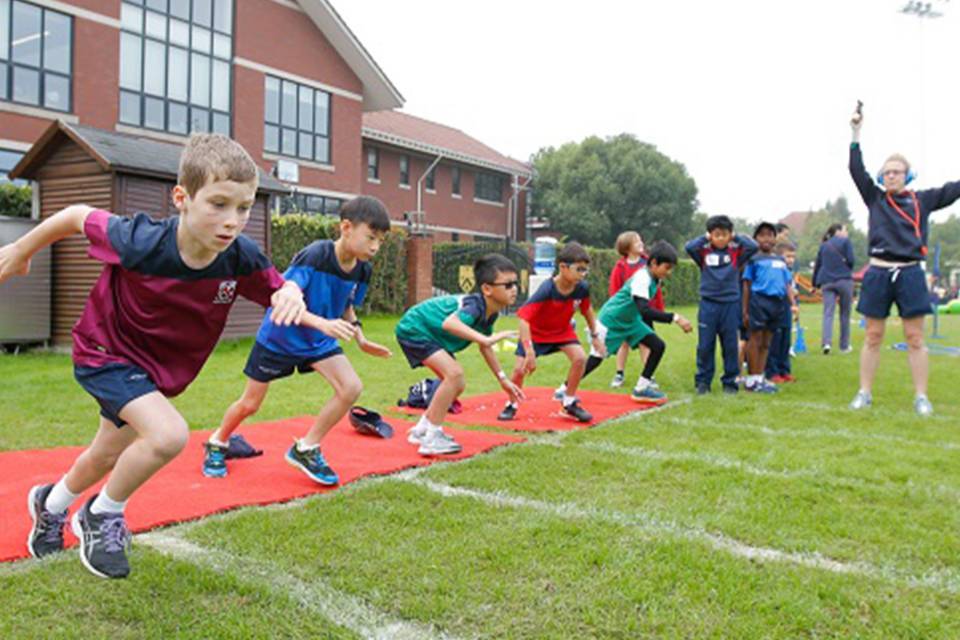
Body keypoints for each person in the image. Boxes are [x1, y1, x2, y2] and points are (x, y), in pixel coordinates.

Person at [0, 134, 308, 578]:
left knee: (106, 454)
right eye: (218, 204)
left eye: (244, 208)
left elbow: (279, 286)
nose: (233, 221)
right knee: (167, 435)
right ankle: (102, 513)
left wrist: (291, 291)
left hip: (151, 373)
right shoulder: (139, 241)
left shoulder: (240, 257)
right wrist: (20, 250)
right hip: (104, 353)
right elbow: (75, 215)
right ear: (182, 198)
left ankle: (51, 504)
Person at [202, 196, 393, 483]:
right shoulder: (316, 254)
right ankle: (218, 442)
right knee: (250, 404)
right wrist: (323, 323)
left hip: (318, 340)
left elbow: (346, 305)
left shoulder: (363, 269)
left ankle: (306, 448)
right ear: (346, 228)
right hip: (280, 337)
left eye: (380, 241)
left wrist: (360, 337)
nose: (376, 247)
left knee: (351, 387)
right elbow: (286, 298)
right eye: (371, 237)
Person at [848, 103, 960, 416]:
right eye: (887, 172)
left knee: (915, 337)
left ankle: (921, 396)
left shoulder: (922, 200)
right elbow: (856, 170)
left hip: (910, 272)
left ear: (907, 175)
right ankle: (864, 392)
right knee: (873, 336)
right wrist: (855, 133)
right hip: (878, 271)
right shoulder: (874, 198)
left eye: (896, 171)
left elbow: (954, 189)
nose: (891, 175)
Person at [396, 254, 523, 455]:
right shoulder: (474, 306)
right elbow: (450, 324)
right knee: (454, 375)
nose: (514, 289)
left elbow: (485, 347)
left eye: (516, 284)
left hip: (431, 334)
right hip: (415, 328)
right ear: (487, 289)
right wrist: (485, 339)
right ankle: (432, 438)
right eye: (507, 285)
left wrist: (503, 379)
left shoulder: (490, 313)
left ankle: (422, 429)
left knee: (458, 383)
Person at [497, 242, 605, 423]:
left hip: (562, 331)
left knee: (580, 358)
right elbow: (523, 318)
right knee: (519, 370)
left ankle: (569, 402)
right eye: (579, 269)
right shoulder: (547, 289)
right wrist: (529, 350)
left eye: (585, 270)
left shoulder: (582, 288)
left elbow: (587, 310)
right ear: (563, 267)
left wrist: (595, 336)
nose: (583, 274)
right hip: (536, 333)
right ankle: (512, 404)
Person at [581, 241, 693, 402]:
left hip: (631, 321)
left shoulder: (655, 277)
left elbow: (644, 309)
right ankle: (564, 389)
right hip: (612, 320)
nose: (669, 272)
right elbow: (644, 310)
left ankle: (641, 388)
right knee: (596, 358)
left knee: (658, 346)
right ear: (654, 263)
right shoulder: (642, 278)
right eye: (667, 267)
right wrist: (675, 318)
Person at [685, 215, 758, 394]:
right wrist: (704, 238)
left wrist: (736, 237)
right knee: (705, 346)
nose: (720, 238)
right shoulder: (703, 253)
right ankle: (703, 382)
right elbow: (689, 247)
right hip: (708, 305)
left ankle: (730, 383)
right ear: (710, 235)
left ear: (729, 235)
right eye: (716, 235)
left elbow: (753, 247)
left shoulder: (736, 253)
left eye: (724, 235)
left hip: (730, 305)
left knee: (730, 346)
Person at [742, 222, 798, 393]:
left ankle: (761, 376)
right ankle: (752, 378)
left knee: (767, 342)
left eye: (770, 235)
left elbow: (787, 284)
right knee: (755, 339)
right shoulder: (753, 260)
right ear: (756, 239)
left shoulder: (780, 261)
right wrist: (745, 310)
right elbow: (747, 284)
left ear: (775, 239)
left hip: (777, 303)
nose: (766, 239)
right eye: (762, 235)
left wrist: (793, 304)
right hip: (759, 301)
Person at [606, 231, 664, 387]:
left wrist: (658, 308)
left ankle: (648, 375)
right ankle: (619, 374)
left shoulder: (648, 263)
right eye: (637, 241)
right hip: (627, 313)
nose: (641, 243)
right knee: (623, 343)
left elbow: (656, 290)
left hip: (644, 311)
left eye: (641, 240)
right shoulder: (620, 267)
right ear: (627, 247)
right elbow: (615, 290)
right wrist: (617, 309)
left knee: (646, 342)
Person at [813, 223, 855, 355]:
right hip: (844, 280)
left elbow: (818, 265)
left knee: (828, 313)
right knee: (845, 314)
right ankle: (844, 346)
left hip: (827, 281)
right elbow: (851, 260)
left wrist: (815, 284)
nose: (846, 233)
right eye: (845, 230)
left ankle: (826, 342)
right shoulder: (846, 242)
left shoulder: (824, 245)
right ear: (838, 231)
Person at [765, 241, 799, 383]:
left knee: (786, 340)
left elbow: (790, 287)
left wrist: (794, 304)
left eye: (793, 257)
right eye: (788, 256)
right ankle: (772, 372)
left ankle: (784, 370)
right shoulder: (775, 270)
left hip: (787, 309)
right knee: (775, 341)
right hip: (776, 307)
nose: (791, 260)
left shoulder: (789, 272)